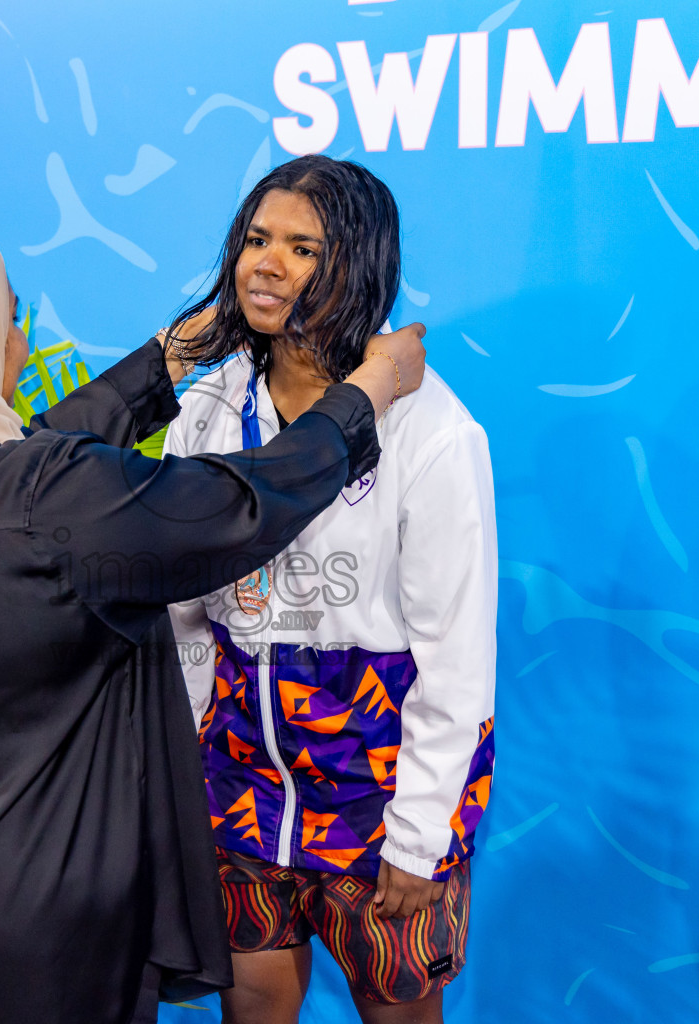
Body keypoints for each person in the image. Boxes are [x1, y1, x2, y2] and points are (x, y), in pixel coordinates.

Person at [0, 215, 428, 1024]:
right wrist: (365, 396)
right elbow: (239, 504)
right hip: (33, 934)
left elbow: (25, 468)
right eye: (1, 317)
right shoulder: (46, 499)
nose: (13, 340)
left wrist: (169, 359)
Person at [162, 155, 496, 1024]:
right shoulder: (206, 409)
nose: (266, 264)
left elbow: (456, 661)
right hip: (239, 793)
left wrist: (421, 835)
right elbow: (183, 617)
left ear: (361, 265)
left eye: (302, 247)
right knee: (253, 1010)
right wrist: (191, 769)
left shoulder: (431, 430)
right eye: (257, 239)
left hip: (379, 803)